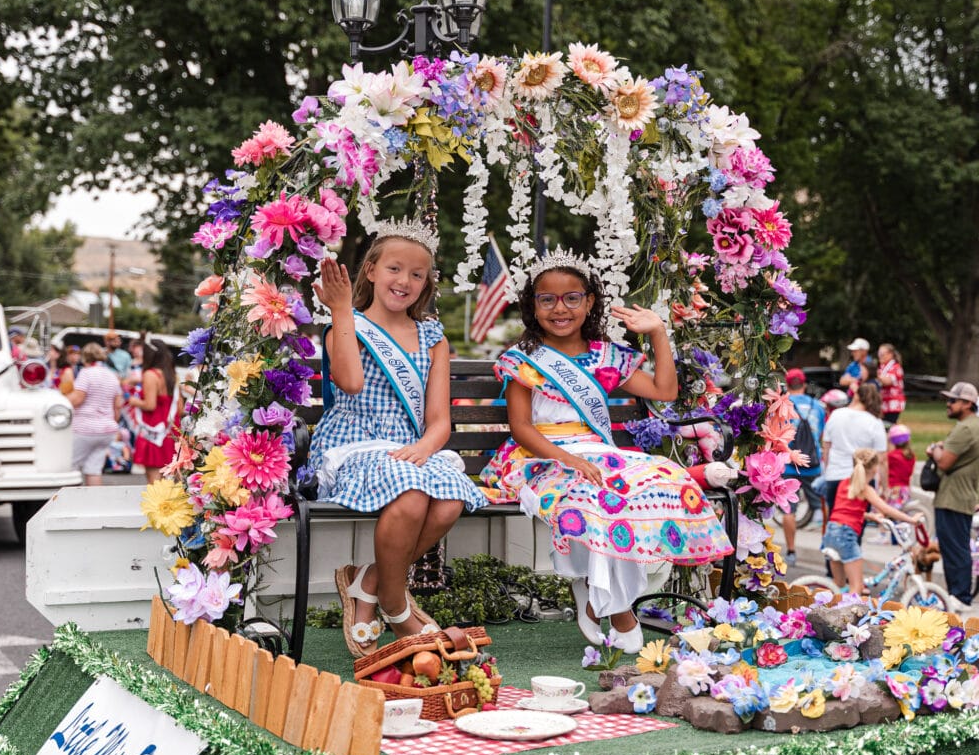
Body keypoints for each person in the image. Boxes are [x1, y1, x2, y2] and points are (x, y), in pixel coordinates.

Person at [479, 248, 734, 654]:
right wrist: (570, 460)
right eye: (547, 299)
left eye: (572, 298)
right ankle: (616, 608)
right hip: (539, 458)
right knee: (594, 491)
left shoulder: (605, 357)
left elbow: (665, 392)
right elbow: (522, 429)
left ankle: (597, 594)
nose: (560, 309)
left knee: (660, 476)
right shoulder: (524, 360)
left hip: (596, 455)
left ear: (590, 302)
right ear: (533, 305)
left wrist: (657, 334)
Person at [308, 218, 487, 657]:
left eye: (416, 273)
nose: (404, 280)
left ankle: (369, 582)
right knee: (410, 494)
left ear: (426, 284)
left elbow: (439, 421)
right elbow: (348, 382)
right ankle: (394, 604)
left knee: (449, 500)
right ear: (370, 270)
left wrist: (427, 447)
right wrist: (341, 309)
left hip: (409, 445)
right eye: (394, 268)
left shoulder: (432, 338)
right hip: (353, 443)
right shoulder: (346, 325)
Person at [821, 448, 923, 596]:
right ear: (875, 468)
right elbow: (886, 509)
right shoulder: (865, 489)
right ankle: (847, 617)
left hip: (831, 532)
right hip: (846, 534)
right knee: (857, 588)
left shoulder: (844, 483)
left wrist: (871, 516)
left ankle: (827, 611)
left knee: (839, 586)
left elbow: (846, 510)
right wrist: (911, 520)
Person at [927, 381, 979, 610]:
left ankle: (959, 596)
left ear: (968, 403)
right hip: (962, 495)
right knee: (956, 547)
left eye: (953, 400)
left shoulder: (965, 428)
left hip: (953, 498)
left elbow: (946, 462)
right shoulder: (973, 426)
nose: (948, 404)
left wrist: (934, 450)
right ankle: (958, 594)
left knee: (955, 548)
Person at [780, 368, 826, 566]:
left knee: (789, 510)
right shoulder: (818, 407)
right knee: (824, 508)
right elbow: (821, 435)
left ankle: (791, 551)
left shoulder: (783, 405)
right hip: (813, 464)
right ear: (805, 385)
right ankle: (826, 551)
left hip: (789, 464)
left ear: (787, 385)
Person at [822, 382, 888, 512]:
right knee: (858, 521)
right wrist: (884, 487)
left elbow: (826, 449)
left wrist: (827, 470)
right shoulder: (875, 423)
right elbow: (882, 460)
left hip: (835, 475)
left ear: (856, 396)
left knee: (835, 518)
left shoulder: (836, 415)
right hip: (862, 478)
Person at [67, 343, 123, 486]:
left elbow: (78, 398)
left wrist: (61, 400)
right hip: (107, 430)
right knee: (94, 469)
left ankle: (69, 503)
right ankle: (94, 504)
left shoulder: (86, 373)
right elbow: (118, 405)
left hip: (85, 428)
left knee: (69, 467)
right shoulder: (112, 376)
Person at [127, 338, 177, 483]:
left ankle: (157, 506)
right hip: (170, 428)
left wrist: (132, 401)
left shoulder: (150, 374)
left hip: (153, 429)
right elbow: (179, 408)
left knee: (154, 481)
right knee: (169, 479)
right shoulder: (170, 374)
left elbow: (150, 405)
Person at [886, 424, 915, 510]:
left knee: (891, 513)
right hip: (905, 490)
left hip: (894, 490)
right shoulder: (911, 456)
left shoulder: (891, 456)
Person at [876, 343, 906, 423]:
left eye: (882, 354)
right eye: (879, 353)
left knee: (889, 426)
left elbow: (887, 381)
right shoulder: (882, 367)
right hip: (883, 403)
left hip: (892, 404)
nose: (879, 356)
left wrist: (873, 374)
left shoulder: (896, 367)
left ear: (890, 354)